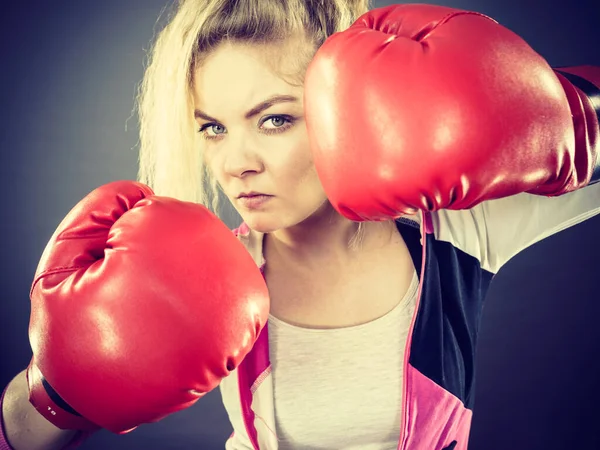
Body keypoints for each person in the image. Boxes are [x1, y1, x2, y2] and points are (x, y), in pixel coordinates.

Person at [1, 0, 599, 449]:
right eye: (213, 127)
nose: (236, 163)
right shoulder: (202, 280)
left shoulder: (453, 235)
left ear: (341, 109)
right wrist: (55, 385)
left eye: (275, 121)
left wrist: (559, 116)